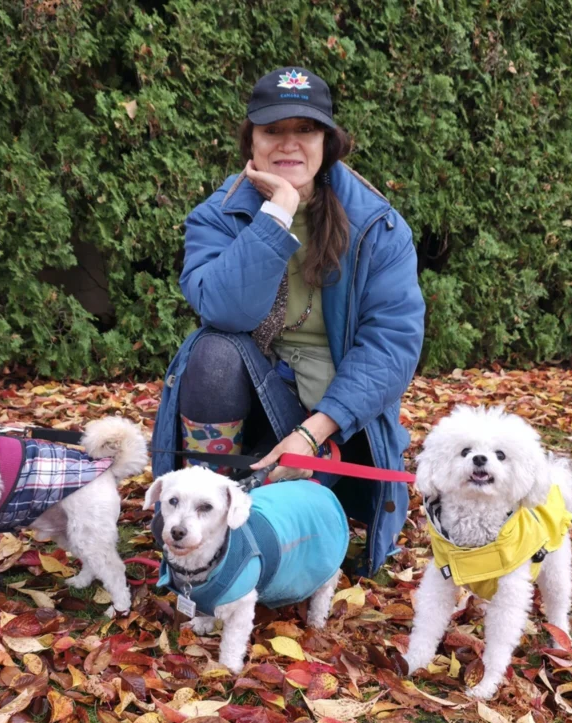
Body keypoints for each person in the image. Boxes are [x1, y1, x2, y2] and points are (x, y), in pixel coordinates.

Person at [150, 66, 425, 577]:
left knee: (284, 520)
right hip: (256, 402)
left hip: (338, 420)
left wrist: (312, 435)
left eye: (306, 129)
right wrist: (277, 213)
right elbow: (224, 310)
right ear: (251, 141)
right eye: (273, 129)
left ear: (328, 142)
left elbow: (392, 345)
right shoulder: (218, 215)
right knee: (212, 352)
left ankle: (303, 488)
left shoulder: (377, 226)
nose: (289, 143)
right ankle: (207, 506)